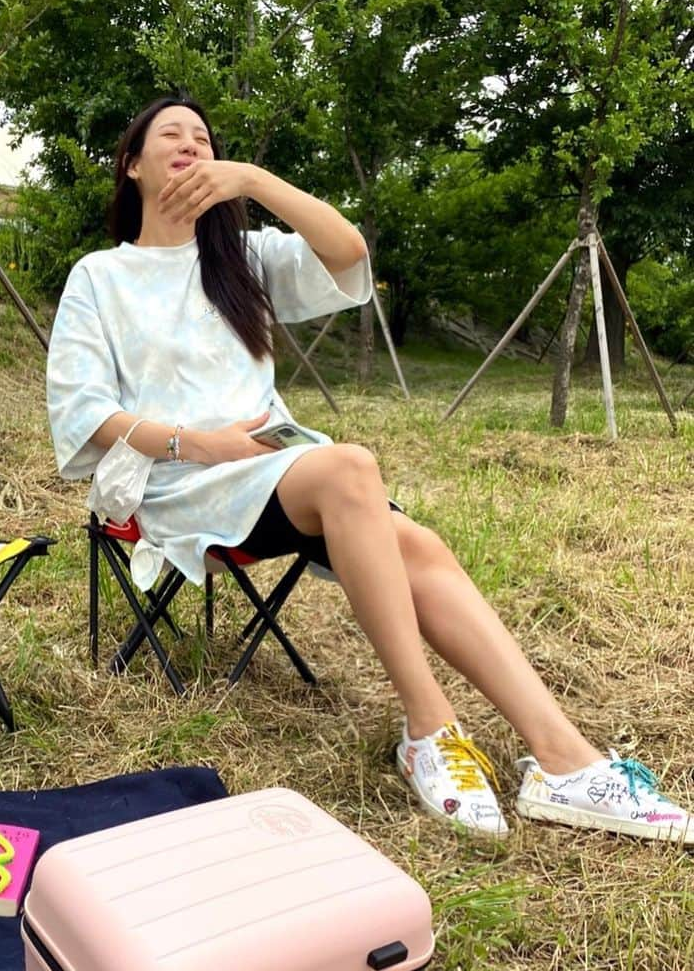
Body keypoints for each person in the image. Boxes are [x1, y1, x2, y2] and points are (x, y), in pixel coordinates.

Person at [46, 95, 691, 845]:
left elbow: (348, 254)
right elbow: (85, 414)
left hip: (279, 467)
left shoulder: (240, 259)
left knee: (420, 545)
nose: (191, 145)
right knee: (351, 469)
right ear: (133, 164)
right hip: (182, 478)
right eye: (171, 135)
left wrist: (254, 179)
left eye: (204, 137)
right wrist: (203, 442)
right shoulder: (101, 276)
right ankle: (430, 725)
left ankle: (564, 760)